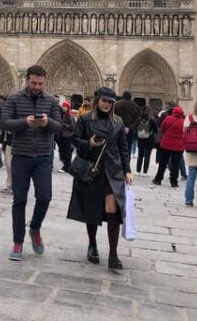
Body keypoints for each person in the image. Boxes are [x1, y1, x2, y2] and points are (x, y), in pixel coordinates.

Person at [1, 65, 62, 261]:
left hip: (43, 156)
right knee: (19, 199)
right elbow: (4, 123)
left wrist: (47, 123)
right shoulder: (14, 99)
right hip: (21, 155)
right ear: (27, 80)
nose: (37, 86)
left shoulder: (51, 101)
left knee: (45, 197)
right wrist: (24, 122)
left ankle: (35, 227)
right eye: (34, 83)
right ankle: (17, 242)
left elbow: (60, 127)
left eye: (41, 83)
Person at [67, 87, 132, 270]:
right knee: (92, 208)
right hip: (92, 168)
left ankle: (113, 254)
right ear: (97, 100)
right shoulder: (86, 119)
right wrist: (89, 144)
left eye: (110, 102)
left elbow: (123, 148)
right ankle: (93, 244)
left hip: (112, 170)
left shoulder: (117, 122)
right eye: (104, 101)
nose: (107, 104)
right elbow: (75, 140)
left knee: (113, 210)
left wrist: (127, 170)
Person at [152, 106, 185, 187]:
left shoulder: (168, 118)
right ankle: (174, 181)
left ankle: (158, 179)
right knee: (175, 164)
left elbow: (162, 129)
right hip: (178, 146)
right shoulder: (183, 122)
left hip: (166, 144)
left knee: (162, 163)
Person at [114, 91, 141, 160]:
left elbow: (112, 117)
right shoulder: (135, 106)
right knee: (127, 149)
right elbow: (138, 119)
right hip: (130, 131)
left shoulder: (117, 104)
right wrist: (130, 128)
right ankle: (126, 165)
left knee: (116, 148)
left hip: (117, 130)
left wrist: (118, 126)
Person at [135, 110, 157, 175]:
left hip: (140, 139)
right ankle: (145, 172)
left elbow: (135, 128)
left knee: (140, 155)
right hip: (149, 140)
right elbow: (156, 130)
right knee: (147, 156)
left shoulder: (139, 120)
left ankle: (138, 171)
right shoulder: (152, 120)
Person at [57, 101, 76, 173]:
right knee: (64, 151)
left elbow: (73, 127)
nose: (63, 108)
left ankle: (67, 166)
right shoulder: (63, 114)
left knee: (68, 152)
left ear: (68, 107)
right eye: (63, 106)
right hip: (63, 135)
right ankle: (66, 165)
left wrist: (64, 124)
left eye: (65, 106)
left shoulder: (70, 115)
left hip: (68, 136)